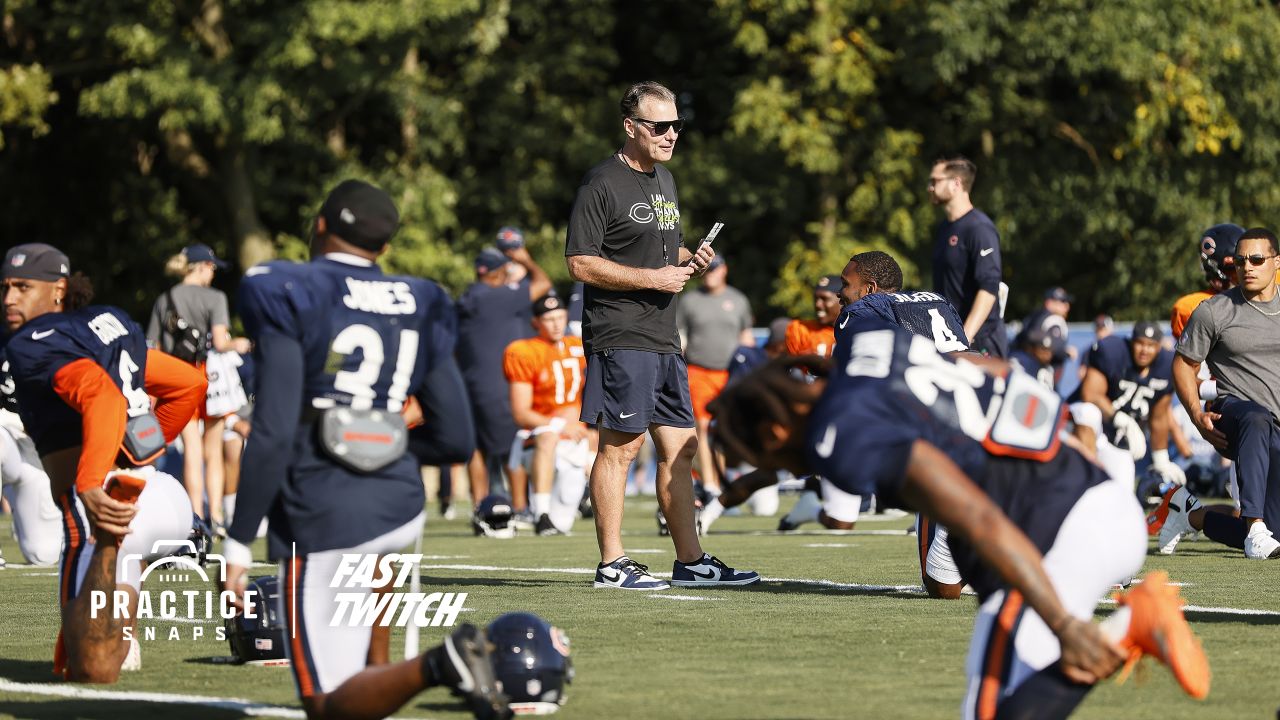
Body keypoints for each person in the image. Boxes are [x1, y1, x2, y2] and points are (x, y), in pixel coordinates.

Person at [709, 325, 1211, 718]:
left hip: (1059, 530)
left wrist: (1062, 623)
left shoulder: (841, 433)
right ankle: (1126, 629)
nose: (771, 467)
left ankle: (1130, 624)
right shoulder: (871, 347)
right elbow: (993, 369)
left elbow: (976, 515)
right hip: (1089, 494)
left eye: (753, 452)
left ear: (776, 428)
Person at [222, 180, 508, 718]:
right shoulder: (421, 298)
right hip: (399, 505)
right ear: (383, 245)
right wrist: (387, 446)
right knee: (362, 670)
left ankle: (442, 664)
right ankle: (427, 668)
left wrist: (238, 540)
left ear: (321, 225)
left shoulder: (281, 283)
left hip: (324, 508)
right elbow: (455, 438)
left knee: (327, 706)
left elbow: (276, 427)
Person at [565, 80, 758, 590]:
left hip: (664, 337)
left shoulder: (664, 181)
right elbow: (580, 262)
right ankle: (612, 563)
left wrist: (686, 258)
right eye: (660, 126)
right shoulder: (600, 183)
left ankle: (690, 562)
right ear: (631, 127)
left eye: (676, 125)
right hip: (620, 332)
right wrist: (654, 278)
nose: (671, 134)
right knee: (621, 447)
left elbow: (647, 251)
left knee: (683, 447)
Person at [3, 242, 204, 682]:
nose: (9, 299)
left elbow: (102, 396)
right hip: (166, 501)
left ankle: (102, 641)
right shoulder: (106, 323)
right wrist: (145, 452)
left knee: (88, 668)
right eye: (5, 288)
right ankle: (122, 633)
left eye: (22, 287)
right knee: (117, 576)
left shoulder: (31, 343)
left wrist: (93, 481)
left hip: (109, 505)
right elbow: (189, 383)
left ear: (57, 290)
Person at [831, 249, 969, 597]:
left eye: (846, 284)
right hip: (977, 410)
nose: (839, 292)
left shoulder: (861, 311)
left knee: (941, 587)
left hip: (938, 428)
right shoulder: (937, 300)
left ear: (869, 288)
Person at [1159, 227, 1280, 559]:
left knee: (1277, 534)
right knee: (1256, 417)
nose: (1246, 268)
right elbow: (1183, 367)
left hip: (1274, 427)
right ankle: (1255, 527)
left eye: (1256, 260)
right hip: (1236, 413)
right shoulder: (1211, 309)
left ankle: (1191, 514)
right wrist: (1197, 416)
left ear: (1275, 261)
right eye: (1239, 262)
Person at [147, 243, 250, 537]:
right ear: (202, 266)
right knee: (213, 449)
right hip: (210, 377)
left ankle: (197, 516)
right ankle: (217, 516)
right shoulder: (214, 298)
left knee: (191, 448)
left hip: (174, 380)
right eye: (213, 268)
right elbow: (220, 343)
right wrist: (238, 343)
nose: (213, 273)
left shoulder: (164, 299)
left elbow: (152, 347)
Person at [456, 239, 552, 525]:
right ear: (498, 273)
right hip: (498, 383)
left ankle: (480, 507)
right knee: (513, 446)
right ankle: (521, 507)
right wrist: (525, 260)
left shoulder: (467, 297)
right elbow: (543, 283)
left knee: (477, 449)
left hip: (468, 384)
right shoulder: (500, 296)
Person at [502, 293, 591, 535]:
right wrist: (560, 424)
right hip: (537, 434)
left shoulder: (577, 346)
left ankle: (591, 499)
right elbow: (521, 413)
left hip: (573, 434)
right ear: (536, 323)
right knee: (549, 436)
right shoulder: (523, 351)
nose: (556, 324)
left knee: (563, 522)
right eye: (549, 319)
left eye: (560, 317)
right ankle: (540, 513)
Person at [1068, 321, 1181, 494]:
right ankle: (1082, 479)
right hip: (1084, 425)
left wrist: (1161, 460)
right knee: (1088, 413)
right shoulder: (1114, 352)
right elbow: (1090, 395)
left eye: (1151, 345)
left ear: (1159, 347)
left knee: (1122, 494)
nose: (1144, 350)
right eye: (1140, 343)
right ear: (1131, 342)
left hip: (1115, 437)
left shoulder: (1166, 367)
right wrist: (1120, 418)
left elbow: (1159, 417)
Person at [676, 254, 753, 493]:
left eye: (715, 269)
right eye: (707, 270)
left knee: (726, 430)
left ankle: (721, 482)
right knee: (702, 426)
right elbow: (680, 338)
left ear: (724, 270)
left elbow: (746, 336)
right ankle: (709, 485)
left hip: (730, 373)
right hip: (698, 371)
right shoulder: (690, 300)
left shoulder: (738, 300)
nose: (711, 274)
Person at [928, 155, 1008, 358]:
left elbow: (989, 287)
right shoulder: (944, 228)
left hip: (980, 344)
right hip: (950, 342)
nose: (930, 187)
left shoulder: (979, 228)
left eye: (935, 181)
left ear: (956, 183)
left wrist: (963, 339)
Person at [1170, 223, 1245, 340]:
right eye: (1234, 267)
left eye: (1256, 261)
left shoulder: (1272, 283)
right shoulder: (1190, 307)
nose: (1246, 270)